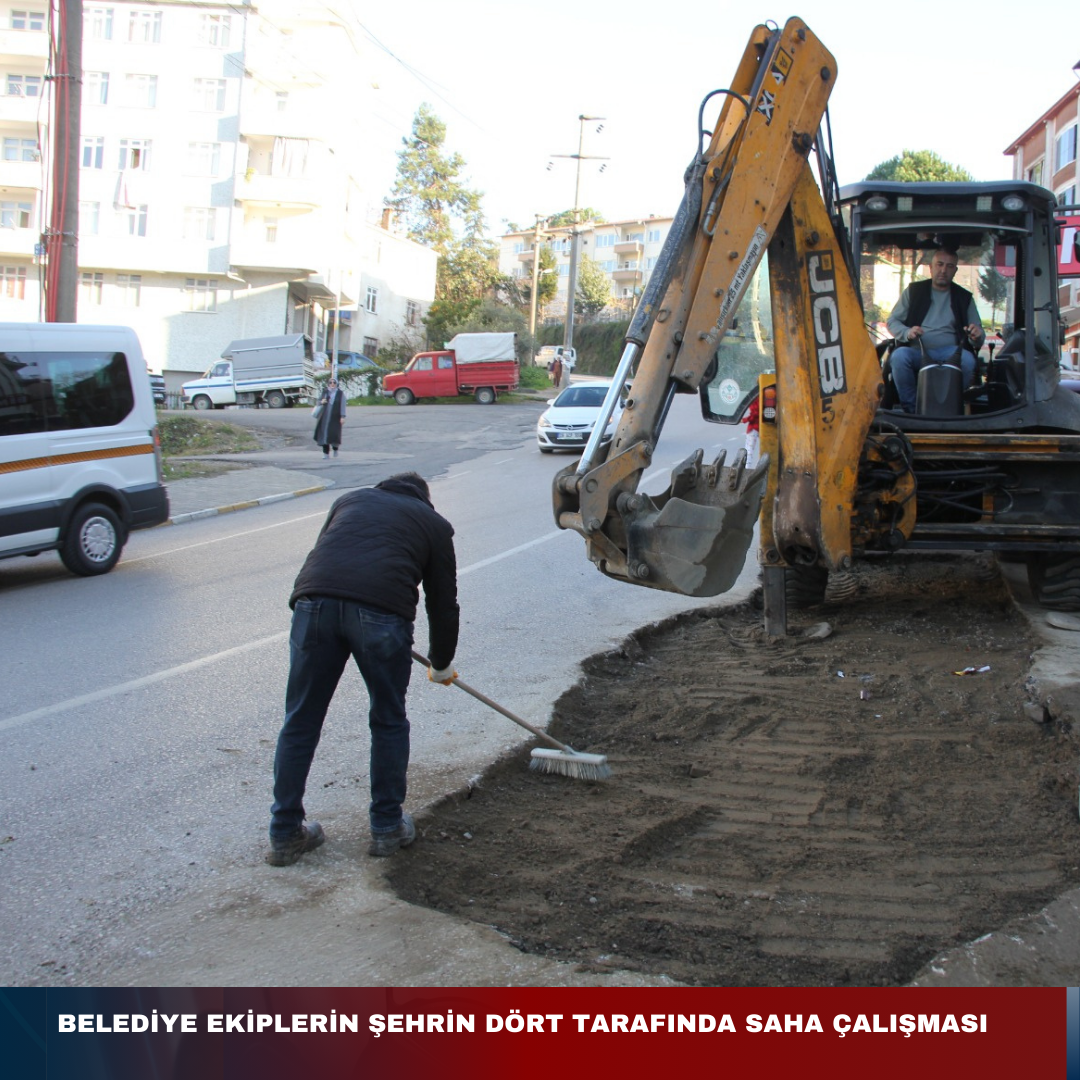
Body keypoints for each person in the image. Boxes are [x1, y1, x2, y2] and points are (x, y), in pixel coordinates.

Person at [266, 471, 459, 866]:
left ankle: (284, 833)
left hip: (312, 605)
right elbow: (442, 604)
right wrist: (440, 663)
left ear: (383, 488)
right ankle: (387, 827)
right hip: (380, 617)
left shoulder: (351, 500)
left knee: (300, 720)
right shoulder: (434, 525)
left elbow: (325, 555)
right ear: (425, 499)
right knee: (388, 720)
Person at [886, 249, 985, 413]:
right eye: (939, 264)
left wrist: (976, 335)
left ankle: (950, 407)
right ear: (930, 267)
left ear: (955, 271)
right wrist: (907, 332)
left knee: (967, 360)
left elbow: (978, 335)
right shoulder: (913, 291)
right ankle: (912, 410)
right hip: (918, 352)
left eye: (949, 266)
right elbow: (892, 321)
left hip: (951, 353)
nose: (943, 270)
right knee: (899, 357)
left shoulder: (964, 297)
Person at [313, 378, 346, 457]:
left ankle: (335, 449)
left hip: (335, 418)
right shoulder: (325, 392)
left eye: (334, 383)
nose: (332, 384)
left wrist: (342, 416)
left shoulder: (340, 393)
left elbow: (342, 405)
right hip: (324, 417)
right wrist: (322, 402)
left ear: (336, 384)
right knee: (324, 434)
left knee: (334, 434)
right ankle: (325, 453)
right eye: (330, 382)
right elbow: (318, 402)